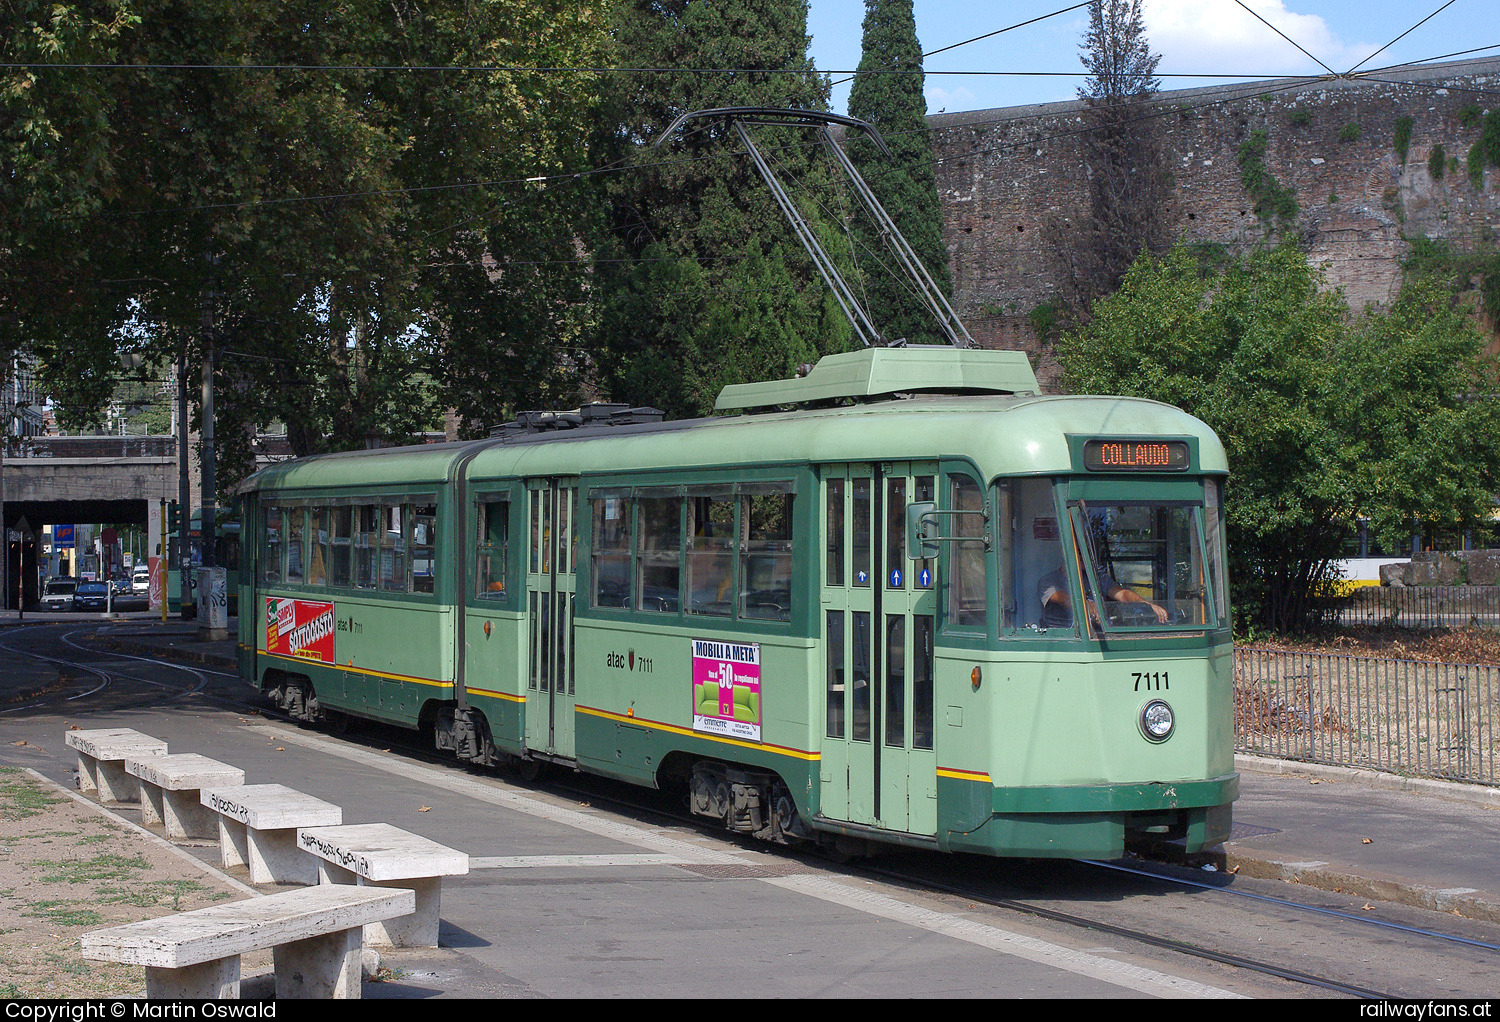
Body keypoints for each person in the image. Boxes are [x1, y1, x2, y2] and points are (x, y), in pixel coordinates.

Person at [1038, 563, 1168, 628]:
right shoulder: (1049, 581)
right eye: (1078, 551)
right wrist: (1088, 606)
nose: (1083, 556)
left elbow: (1122, 594)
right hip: (1066, 639)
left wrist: (1146, 604)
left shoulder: (1097, 578)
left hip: (1100, 634)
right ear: (1065, 551)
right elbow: (1063, 598)